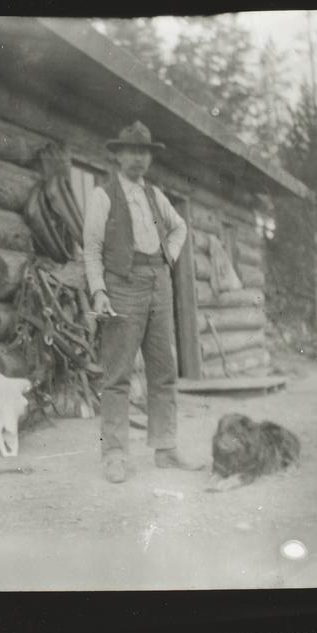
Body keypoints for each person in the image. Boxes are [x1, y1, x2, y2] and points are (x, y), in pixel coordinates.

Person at [83, 120, 204, 483]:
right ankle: (115, 454)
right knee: (118, 373)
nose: (138, 159)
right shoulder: (103, 195)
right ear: (119, 156)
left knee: (163, 369)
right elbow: (92, 249)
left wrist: (168, 256)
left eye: (144, 153)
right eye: (132, 152)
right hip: (122, 284)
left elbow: (179, 226)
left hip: (158, 283)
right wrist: (99, 291)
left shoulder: (155, 196)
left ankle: (165, 448)